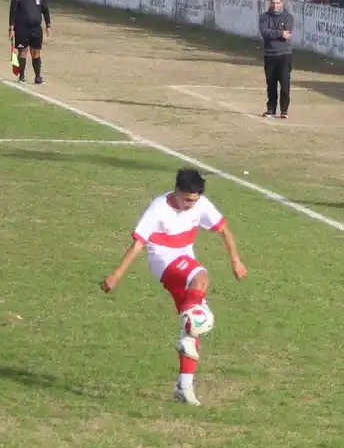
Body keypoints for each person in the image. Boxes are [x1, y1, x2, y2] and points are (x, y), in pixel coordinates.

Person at [100, 169, 248, 406]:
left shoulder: (200, 204)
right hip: (163, 259)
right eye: (187, 199)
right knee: (201, 278)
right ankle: (186, 345)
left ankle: (184, 387)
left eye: (194, 200)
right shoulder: (158, 208)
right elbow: (138, 243)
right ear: (176, 190)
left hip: (184, 259)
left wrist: (236, 261)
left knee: (194, 324)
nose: (190, 204)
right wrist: (116, 275)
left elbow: (224, 229)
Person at [8, 0, 51, 85]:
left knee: (36, 53)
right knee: (22, 52)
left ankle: (37, 77)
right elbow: (12, 13)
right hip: (21, 29)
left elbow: (45, 11)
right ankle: (21, 77)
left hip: (36, 29)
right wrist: (11, 29)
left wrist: (48, 25)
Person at [259, 0, 294, 119]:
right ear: (269, 3)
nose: (275, 5)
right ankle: (271, 109)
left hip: (285, 55)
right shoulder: (264, 17)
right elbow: (265, 33)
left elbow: (287, 34)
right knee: (271, 84)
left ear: (282, 3)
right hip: (270, 54)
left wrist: (273, 33)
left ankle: (284, 110)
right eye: (273, 3)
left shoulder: (288, 17)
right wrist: (280, 33)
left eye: (278, 3)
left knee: (284, 83)